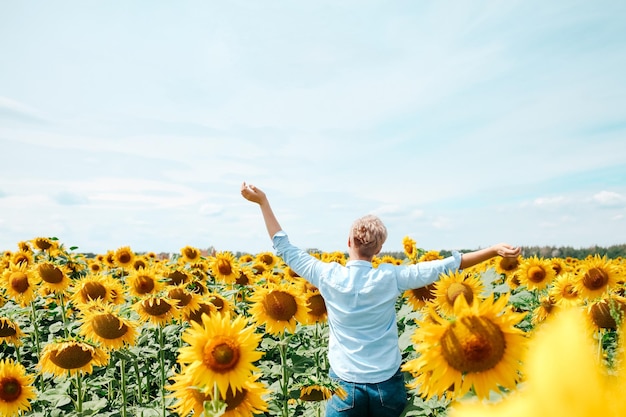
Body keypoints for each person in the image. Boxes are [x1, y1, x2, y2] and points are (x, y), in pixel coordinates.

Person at [240, 182, 521, 417]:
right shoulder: (391, 278)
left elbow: (284, 247)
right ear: (379, 248)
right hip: (386, 384)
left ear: (348, 242)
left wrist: (263, 202)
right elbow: (447, 266)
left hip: (345, 385)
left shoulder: (326, 275)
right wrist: (493, 250)